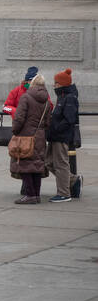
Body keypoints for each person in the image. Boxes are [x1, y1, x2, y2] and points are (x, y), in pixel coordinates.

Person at [10, 74, 51, 204]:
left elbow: (19, 118)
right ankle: (36, 195)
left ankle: (30, 195)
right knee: (37, 165)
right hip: (39, 136)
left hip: (26, 136)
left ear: (32, 83)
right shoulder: (47, 101)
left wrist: (15, 131)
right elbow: (47, 122)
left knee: (25, 164)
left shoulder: (26, 97)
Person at [46, 68, 83, 203]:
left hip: (61, 136)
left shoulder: (69, 98)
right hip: (54, 136)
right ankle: (73, 179)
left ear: (62, 84)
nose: (53, 85)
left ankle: (63, 193)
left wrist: (56, 129)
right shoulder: (62, 96)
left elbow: (69, 119)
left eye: (55, 83)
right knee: (48, 162)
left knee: (61, 164)